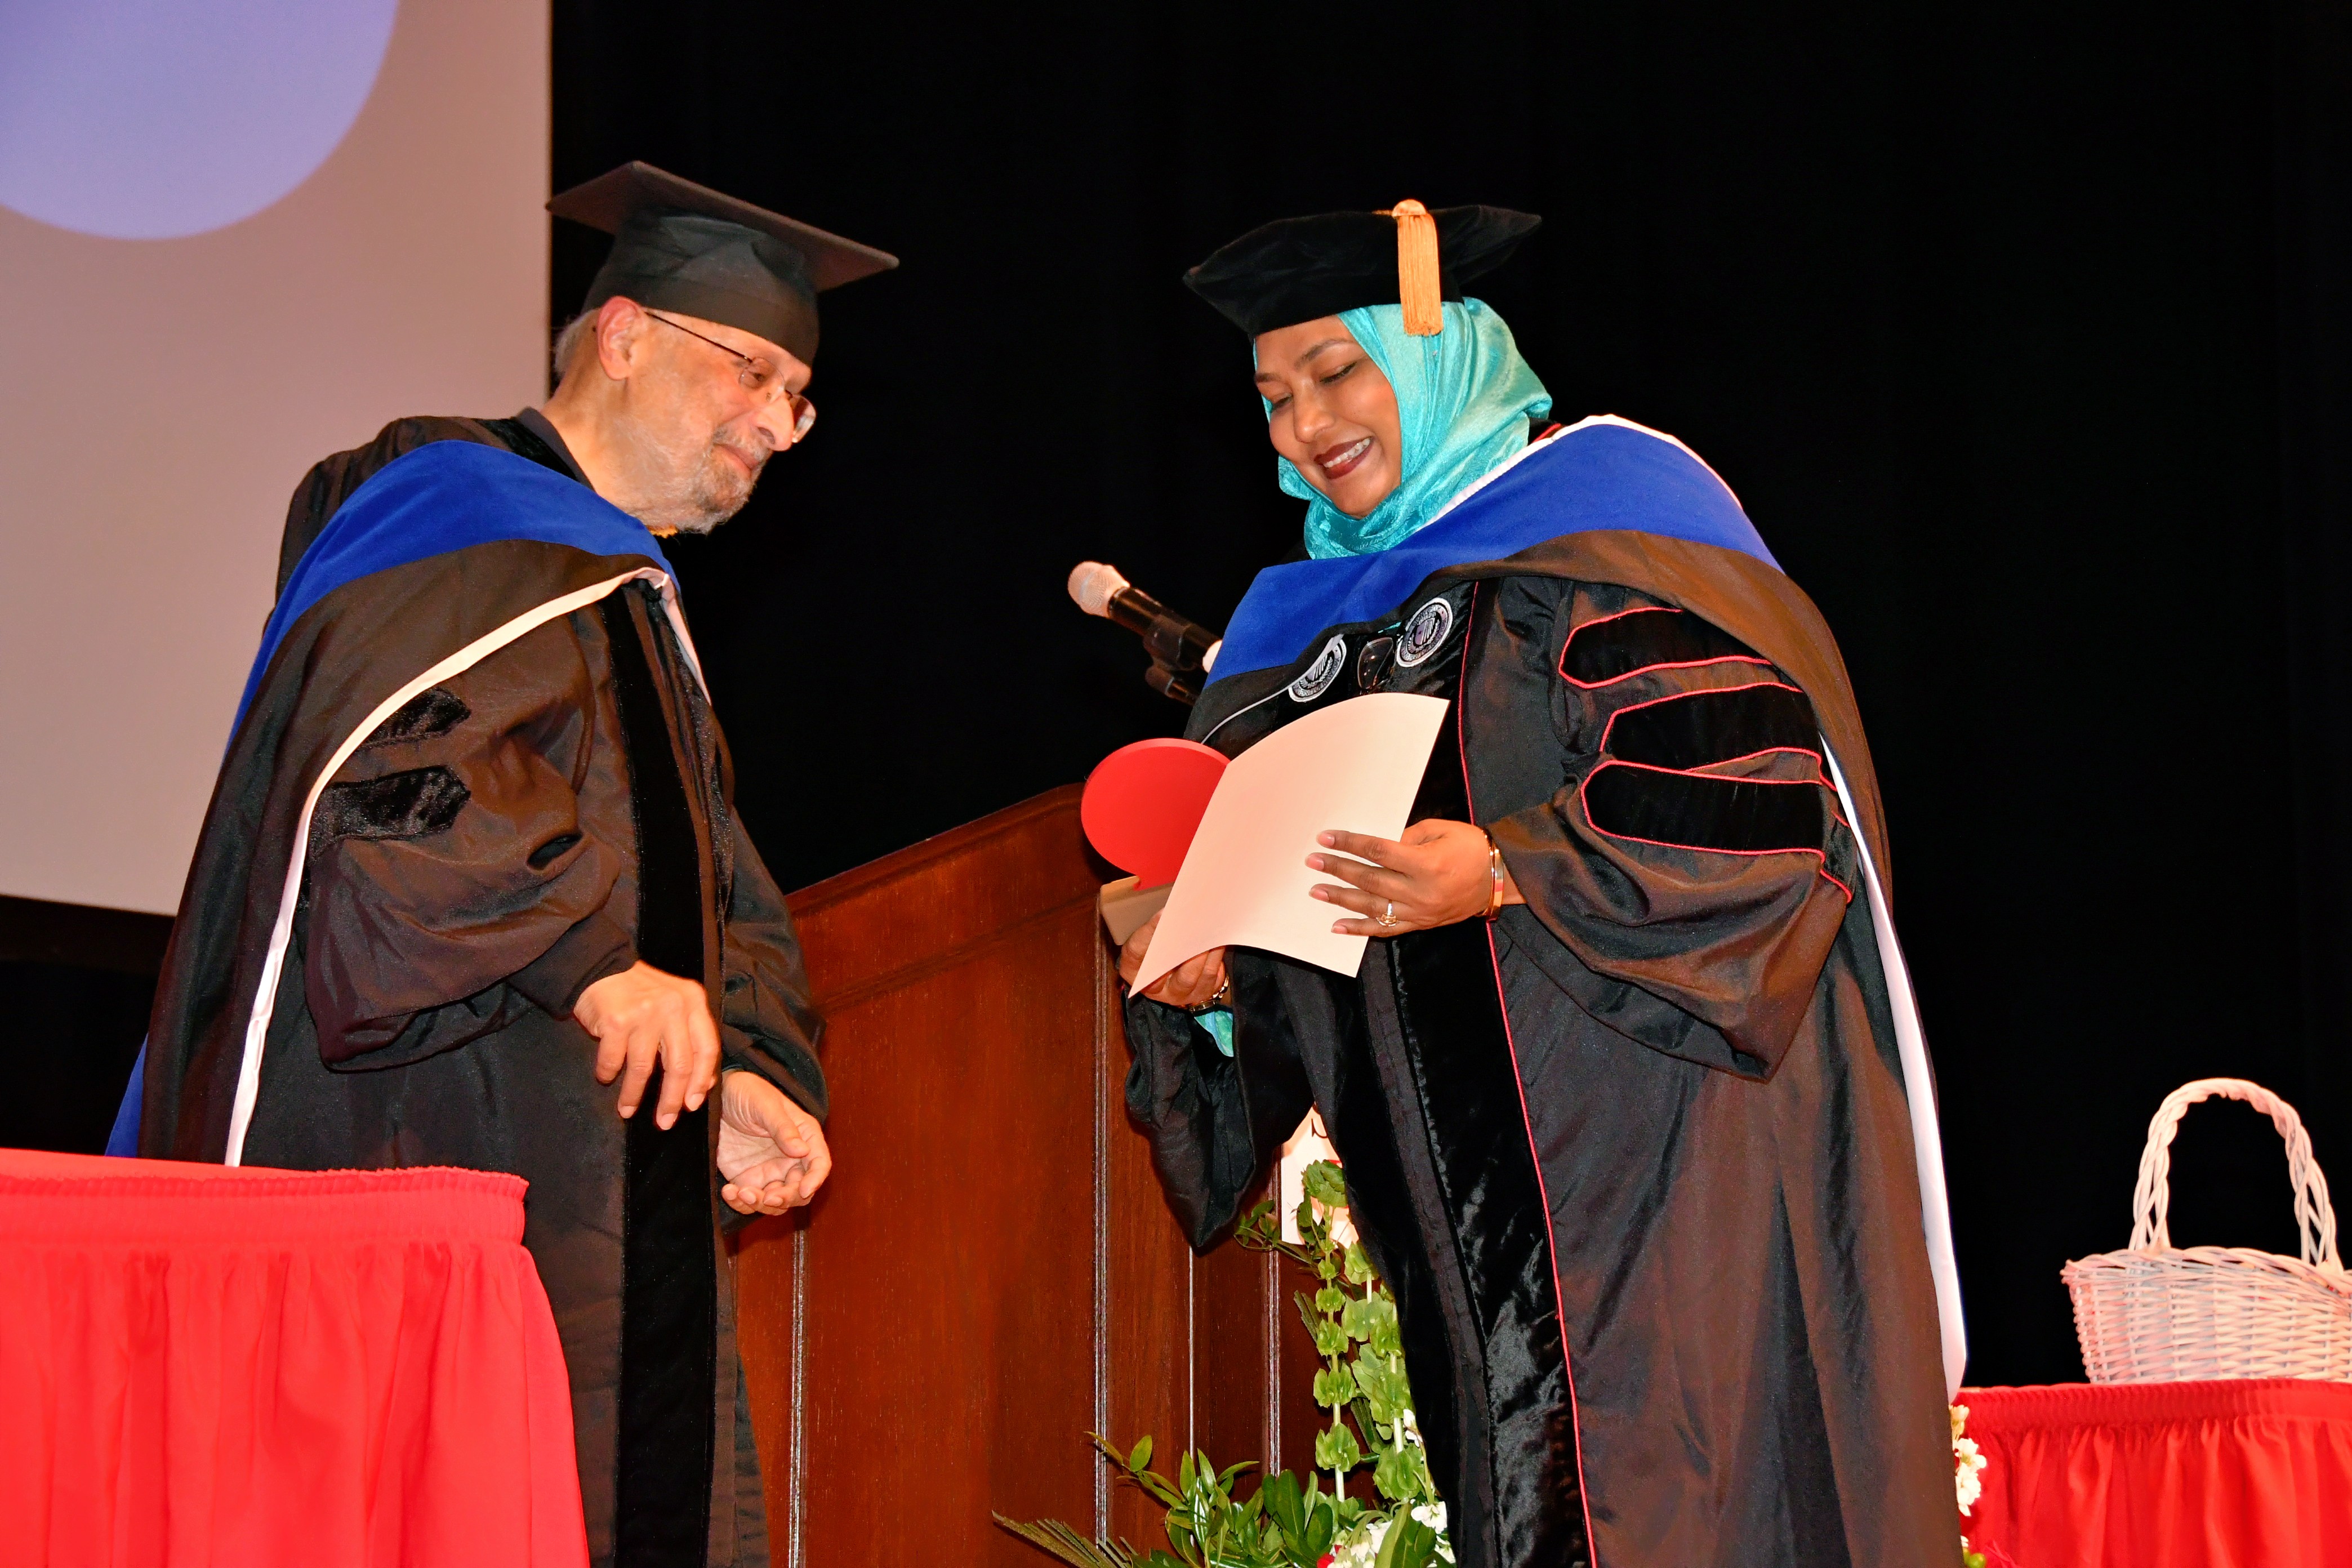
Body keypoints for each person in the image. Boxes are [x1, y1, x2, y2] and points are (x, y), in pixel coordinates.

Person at [1119, 202, 1966, 1568]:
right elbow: (1309, 919)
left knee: (1698, 1503)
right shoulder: (1314, 635)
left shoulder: (1605, 534)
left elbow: (1751, 809)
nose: (1303, 427)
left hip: (1668, 1150)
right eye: (1271, 398)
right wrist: (1220, 984)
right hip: (1468, 1220)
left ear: (1439, 354)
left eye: (1338, 372)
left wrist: (1508, 865)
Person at [126, 162, 890, 1568]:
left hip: (593, 1197)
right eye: (756, 375)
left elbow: (714, 877)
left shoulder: (629, 601)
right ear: (625, 334)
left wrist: (758, 1065)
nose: (781, 427)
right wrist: (599, 969)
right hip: (436, 1152)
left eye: (801, 397)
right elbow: (394, 782)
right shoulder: (451, 514)